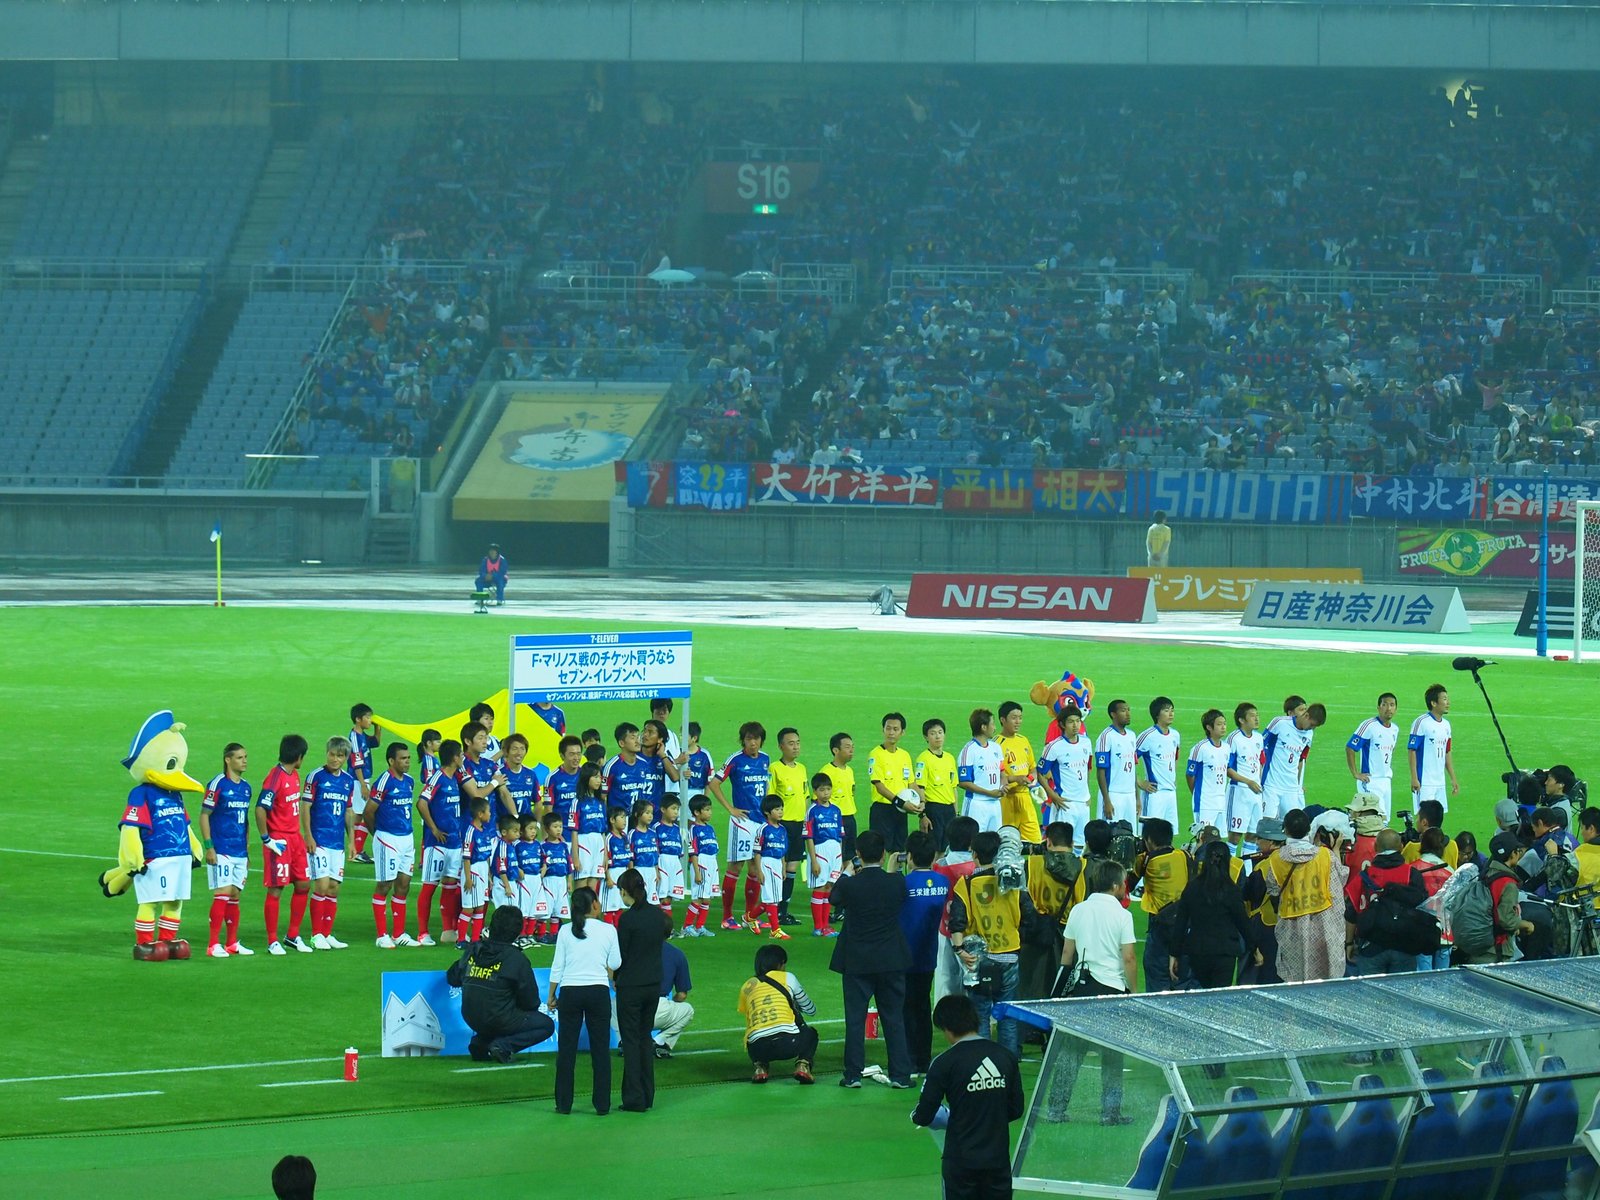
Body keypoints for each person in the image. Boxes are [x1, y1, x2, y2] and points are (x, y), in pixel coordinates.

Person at [1046, 858, 1138, 1126]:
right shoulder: (1123, 916)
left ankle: (1056, 1109)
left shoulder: (1079, 910)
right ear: (1116, 885)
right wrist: (1134, 992)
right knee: (1112, 1057)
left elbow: (1067, 954)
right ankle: (1110, 1113)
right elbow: (1129, 958)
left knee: (1071, 1053)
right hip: (1112, 990)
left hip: (1082, 988)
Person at [911, 994, 1025, 1200]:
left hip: (961, 1161)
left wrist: (953, 1118)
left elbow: (923, 1115)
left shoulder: (944, 1062)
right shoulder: (1005, 1056)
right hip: (997, 1159)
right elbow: (1016, 1109)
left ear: (947, 1028)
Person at [830, 829, 914, 1089]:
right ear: (884, 854)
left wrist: (847, 872)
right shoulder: (896, 882)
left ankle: (853, 1075)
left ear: (858, 854)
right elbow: (899, 894)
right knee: (894, 1017)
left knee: (855, 1019)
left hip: (857, 961)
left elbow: (833, 898)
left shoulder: (850, 884)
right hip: (891, 959)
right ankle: (900, 1075)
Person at [949, 830, 1040, 1057]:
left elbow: (957, 922)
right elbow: (1030, 918)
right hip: (1009, 955)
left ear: (974, 854)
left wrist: (959, 950)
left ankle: (983, 1061)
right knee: (1008, 1016)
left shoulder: (966, 884)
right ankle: (1008, 1063)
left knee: (980, 1016)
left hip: (979, 960)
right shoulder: (1014, 881)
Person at [447, 905, 555, 1063]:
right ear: (518, 931)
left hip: (471, 1016)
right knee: (545, 1025)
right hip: (499, 1017)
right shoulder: (516, 959)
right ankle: (503, 1046)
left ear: (492, 926)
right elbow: (531, 1002)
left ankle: (481, 1042)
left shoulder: (474, 950)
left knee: (499, 1013)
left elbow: (452, 977)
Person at [550, 886, 620, 1115]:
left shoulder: (565, 930)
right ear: (595, 904)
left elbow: (557, 966)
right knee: (600, 1051)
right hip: (598, 992)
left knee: (566, 1050)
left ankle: (564, 1104)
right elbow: (616, 963)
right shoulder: (608, 929)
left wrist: (551, 995)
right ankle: (602, 1104)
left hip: (570, 992)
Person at [1262, 809, 1349, 982]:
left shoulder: (1276, 859)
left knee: (1296, 980)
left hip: (1292, 927)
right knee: (1326, 980)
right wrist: (1336, 850)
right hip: (1324, 927)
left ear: (1285, 830)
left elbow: (1273, 889)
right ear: (1309, 829)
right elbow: (1341, 879)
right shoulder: (1325, 856)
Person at [615, 867, 669, 1112]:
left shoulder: (627, 919)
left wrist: (616, 976)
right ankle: (648, 1095)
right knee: (645, 1038)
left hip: (631, 986)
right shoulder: (658, 915)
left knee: (631, 1041)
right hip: (652, 985)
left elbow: (621, 956)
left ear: (625, 891)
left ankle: (634, 1098)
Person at [708, 721, 771, 930]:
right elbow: (714, 783)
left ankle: (749, 916)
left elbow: (765, 786)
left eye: (756, 739)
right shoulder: (735, 760)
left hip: (761, 821)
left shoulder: (765, 759)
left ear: (761, 740)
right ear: (743, 740)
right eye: (748, 739)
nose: (752, 743)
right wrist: (730, 808)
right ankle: (726, 917)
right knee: (736, 866)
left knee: (755, 867)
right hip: (742, 821)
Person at [900, 830, 952, 1075]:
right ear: (933, 857)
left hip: (903, 956)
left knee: (904, 1009)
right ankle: (923, 1059)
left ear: (909, 856)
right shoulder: (943, 883)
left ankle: (908, 1060)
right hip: (928, 954)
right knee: (922, 1007)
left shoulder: (903, 883)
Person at [256, 734, 311, 956]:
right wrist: (266, 839)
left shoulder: (294, 775)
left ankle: (292, 936)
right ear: (298, 756)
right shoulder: (275, 777)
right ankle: (272, 941)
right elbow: (260, 808)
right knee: (277, 888)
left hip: (295, 838)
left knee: (303, 884)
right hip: (279, 840)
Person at [1168, 840, 1249, 988]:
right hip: (1225, 952)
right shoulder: (1232, 890)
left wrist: (1174, 954)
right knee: (1219, 995)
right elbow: (1243, 922)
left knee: (1204, 991)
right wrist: (1254, 948)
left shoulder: (1192, 888)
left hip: (1199, 951)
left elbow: (1181, 923)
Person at [301, 736, 356, 950]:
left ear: (345, 758)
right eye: (332, 754)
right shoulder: (315, 776)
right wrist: (308, 835)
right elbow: (306, 806)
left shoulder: (348, 781)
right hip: (319, 840)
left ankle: (327, 933)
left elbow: (348, 811)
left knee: (334, 888)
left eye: (339, 756)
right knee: (322, 885)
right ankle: (316, 935)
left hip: (337, 843)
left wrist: (352, 841)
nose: (334, 759)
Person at [200, 742, 253, 958]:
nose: (244, 761)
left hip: (239, 851)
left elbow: (245, 820)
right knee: (222, 892)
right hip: (221, 849)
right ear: (228, 760)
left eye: (245, 757)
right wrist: (209, 847)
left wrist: (247, 849)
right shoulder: (217, 784)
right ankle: (213, 944)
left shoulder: (247, 787)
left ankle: (231, 943)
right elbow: (204, 815)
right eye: (240, 757)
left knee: (235, 894)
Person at [739, 943, 819, 1084]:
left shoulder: (746, 986)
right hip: (789, 1044)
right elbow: (810, 1010)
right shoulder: (788, 978)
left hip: (757, 1048)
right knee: (811, 1034)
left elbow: (749, 1014)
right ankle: (803, 1066)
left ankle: (760, 1068)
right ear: (780, 964)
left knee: (753, 1035)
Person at [363, 743, 418, 948]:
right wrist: (378, 834)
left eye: (408, 758)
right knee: (385, 885)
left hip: (407, 838)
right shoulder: (384, 782)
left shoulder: (409, 781)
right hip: (388, 838)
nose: (407, 762)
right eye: (403, 758)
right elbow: (368, 812)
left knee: (403, 885)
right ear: (391, 761)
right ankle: (381, 935)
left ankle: (399, 933)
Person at [416, 738, 464, 947]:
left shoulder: (455, 778)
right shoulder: (438, 778)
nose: (462, 758)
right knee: (429, 887)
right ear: (454, 758)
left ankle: (447, 931)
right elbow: (421, 802)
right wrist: (433, 828)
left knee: (450, 886)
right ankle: (422, 933)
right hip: (437, 844)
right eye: (460, 755)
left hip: (454, 842)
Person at [1459, 833, 1534, 964]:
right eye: (1518, 850)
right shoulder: (1508, 883)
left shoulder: (1487, 874)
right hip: (1495, 952)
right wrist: (1526, 925)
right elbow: (1506, 919)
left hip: (1479, 945)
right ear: (1513, 854)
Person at [1135, 817, 1191, 991]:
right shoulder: (1185, 855)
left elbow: (1128, 883)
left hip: (1160, 924)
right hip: (1185, 923)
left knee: (1157, 977)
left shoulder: (1146, 859)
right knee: (1183, 978)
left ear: (1149, 840)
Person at [769, 727, 809, 926]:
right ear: (781, 746)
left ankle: (783, 912)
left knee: (792, 868)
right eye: (791, 743)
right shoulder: (774, 768)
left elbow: (806, 796)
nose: (795, 747)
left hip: (798, 825)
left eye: (798, 743)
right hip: (782, 826)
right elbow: (770, 798)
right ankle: (773, 910)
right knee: (780, 869)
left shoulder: (801, 769)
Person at [869, 711, 917, 871]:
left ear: (902, 732)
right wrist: (900, 802)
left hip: (901, 811)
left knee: (899, 851)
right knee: (879, 851)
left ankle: (895, 879)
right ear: (883, 729)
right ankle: (878, 880)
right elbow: (879, 785)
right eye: (888, 728)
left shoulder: (905, 755)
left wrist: (921, 802)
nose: (891, 732)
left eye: (895, 729)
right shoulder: (876, 754)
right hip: (882, 809)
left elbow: (911, 783)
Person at [1346, 692, 1400, 820]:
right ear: (1378, 707)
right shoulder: (1369, 726)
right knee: (1375, 820)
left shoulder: (1395, 729)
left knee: (1385, 821)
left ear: (1396, 709)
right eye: (1384, 705)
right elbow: (1350, 747)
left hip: (1386, 781)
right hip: (1370, 781)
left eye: (1392, 705)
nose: (1388, 708)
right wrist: (1355, 773)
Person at [1408, 683, 1460, 814]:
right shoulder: (1421, 722)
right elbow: (1412, 750)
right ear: (1433, 703)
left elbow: (1447, 752)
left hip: (1440, 782)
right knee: (1424, 818)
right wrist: (1414, 778)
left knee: (1438, 818)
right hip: (1424, 782)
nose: (1448, 702)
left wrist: (1453, 778)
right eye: (1444, 699)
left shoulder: (1446, 725)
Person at [996, 702, 1042, 847]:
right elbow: (995, 775)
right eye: (1014, 718)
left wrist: (1030, 780)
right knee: (1006, 844)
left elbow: (1033, 768)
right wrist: (1016, 779)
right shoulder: (996, 745)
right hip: (1006, 800)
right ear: (1003, 720)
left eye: (1020, 717)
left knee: (1035, 843)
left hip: (1025, 798)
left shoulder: (1023, 740)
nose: (1018, 721)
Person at [1135, 697, 1182, 833]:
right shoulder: (1147, 736)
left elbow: (1175, 756)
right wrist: (1140, 782)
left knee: (1169, 834)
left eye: (1172, 710)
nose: (1171, 713)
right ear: (1157, 714)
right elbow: (1129, 760)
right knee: (1150, 834)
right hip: (1155, 794)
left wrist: (1173, 777)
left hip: (1171, 793)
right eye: (1166, 710)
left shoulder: (1175, 735)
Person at [957, 709, 1005, 834]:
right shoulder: (968, 751)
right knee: (973, 840)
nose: (995, 727)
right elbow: (963, 782)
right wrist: (989, 793)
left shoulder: (996, 748)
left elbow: (1002, 773)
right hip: (976, 804)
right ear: (984, 727)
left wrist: (1003, 787)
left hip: (995, 804)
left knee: (995, 840)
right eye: (992, 724)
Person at [915, 718, 960, 852]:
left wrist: (956, 813)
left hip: (949, 810)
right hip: (933, 809)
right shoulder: (923, 759)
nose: (937, 736)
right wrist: (923, 815)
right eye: (933, 733)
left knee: (947, 849)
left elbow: (953, 787)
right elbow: (920, 787)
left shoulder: (949, 758)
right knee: (932, 848)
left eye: (940, 732)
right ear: (926, 737)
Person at [1224, 702, 1265, 847]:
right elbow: (1227, 768)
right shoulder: (1234, 739)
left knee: (1253, 835)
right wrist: (1248, 782)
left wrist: (1258, 782)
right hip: (1239, 791)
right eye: (1252, 716)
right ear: (1241, 720)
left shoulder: (1259, 738)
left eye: (1257, 715)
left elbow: (1261, 761)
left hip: (1256, 791)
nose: (1257, 718)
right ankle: (1231, 862)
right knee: (1235, 836)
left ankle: (1247, 862)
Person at [1095, 699, 1138, 826]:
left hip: (1130, 795)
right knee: (1110, 833)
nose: (1128, 714)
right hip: (1113, 794)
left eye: (1129, 710)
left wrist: (1137, 797)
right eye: (1123, 711)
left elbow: (1132, 769)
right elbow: (1101, 771)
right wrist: (1106, 800)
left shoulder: (1132, 735)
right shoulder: (1106, 736)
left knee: (1131, 833)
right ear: (1113, 714)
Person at [652, 935, 695, 1057]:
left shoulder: (634, 948)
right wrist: (669, 1002)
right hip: (658, 1009)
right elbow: (682, 995)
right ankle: (660, 1042)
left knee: (613, 1004)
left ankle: (626, 1042)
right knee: (688, 1010)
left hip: (631, 1008)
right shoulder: (676, 954)